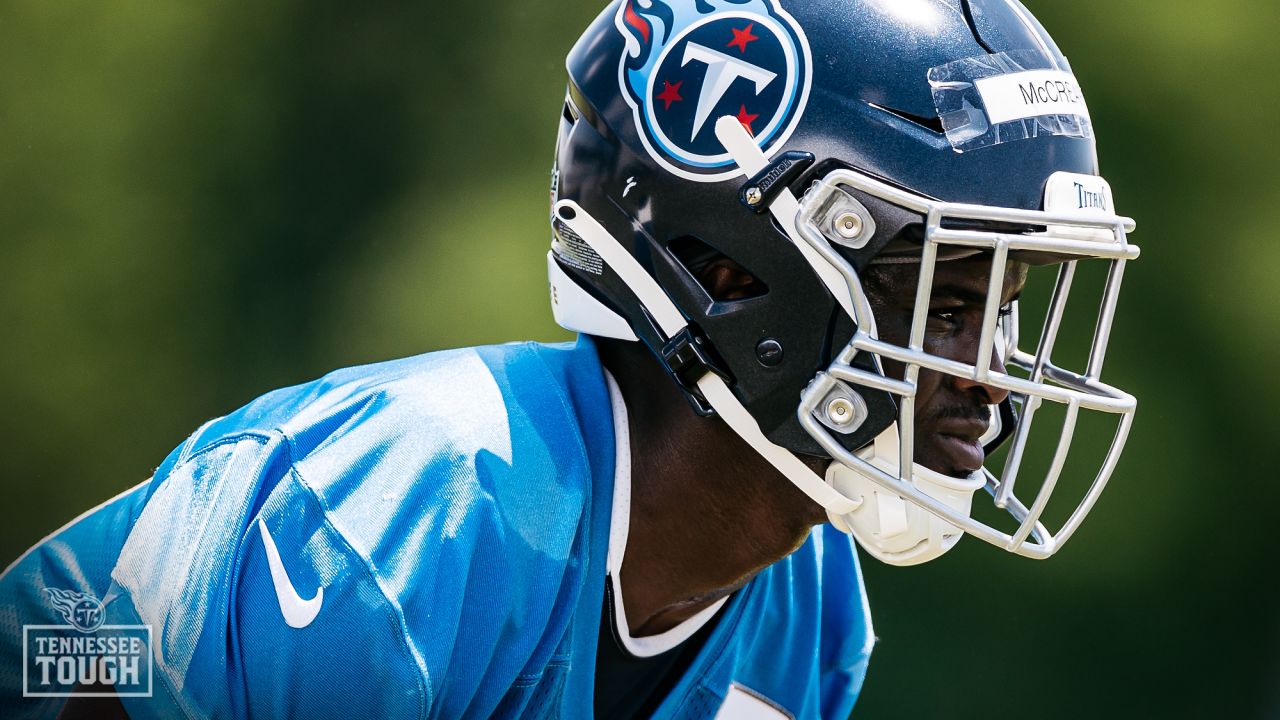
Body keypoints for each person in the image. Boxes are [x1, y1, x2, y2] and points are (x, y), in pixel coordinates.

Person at [0, 0, 1141, 718]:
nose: (989, 373)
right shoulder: (420, 514)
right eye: (944, 303)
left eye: (1002, 311)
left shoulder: (808, 609)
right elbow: (79, 677)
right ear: (734, 269)